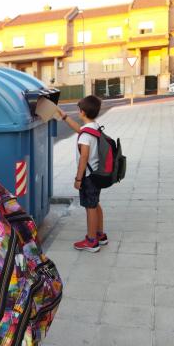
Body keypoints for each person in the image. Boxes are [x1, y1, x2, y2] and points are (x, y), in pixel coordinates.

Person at [58, 95, 108, 252]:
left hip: (87, 177)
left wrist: (78, 179)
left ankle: (92, 241)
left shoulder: (85, 136)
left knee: (90, 208)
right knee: (95, 203)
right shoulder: (94, 126)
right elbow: (80, 130)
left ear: (82, 112)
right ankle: (100, 234)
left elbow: (83, 157)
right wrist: (64, 117)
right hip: (96, 174)